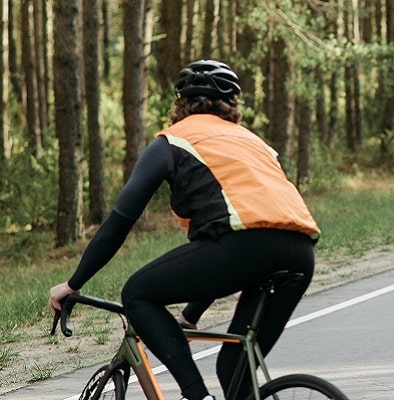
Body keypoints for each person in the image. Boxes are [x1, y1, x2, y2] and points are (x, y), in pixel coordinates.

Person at [48, 60, 319, 400]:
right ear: (232, 105)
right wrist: (191, 316)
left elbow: (120, 220)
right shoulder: (255, 143)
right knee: (234, 370)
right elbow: (232, 233)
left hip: (242, 248)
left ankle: (196, 395)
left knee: (137, 294)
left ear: (180, 104)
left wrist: (73, 284)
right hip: (300, 254)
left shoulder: (171, 141)